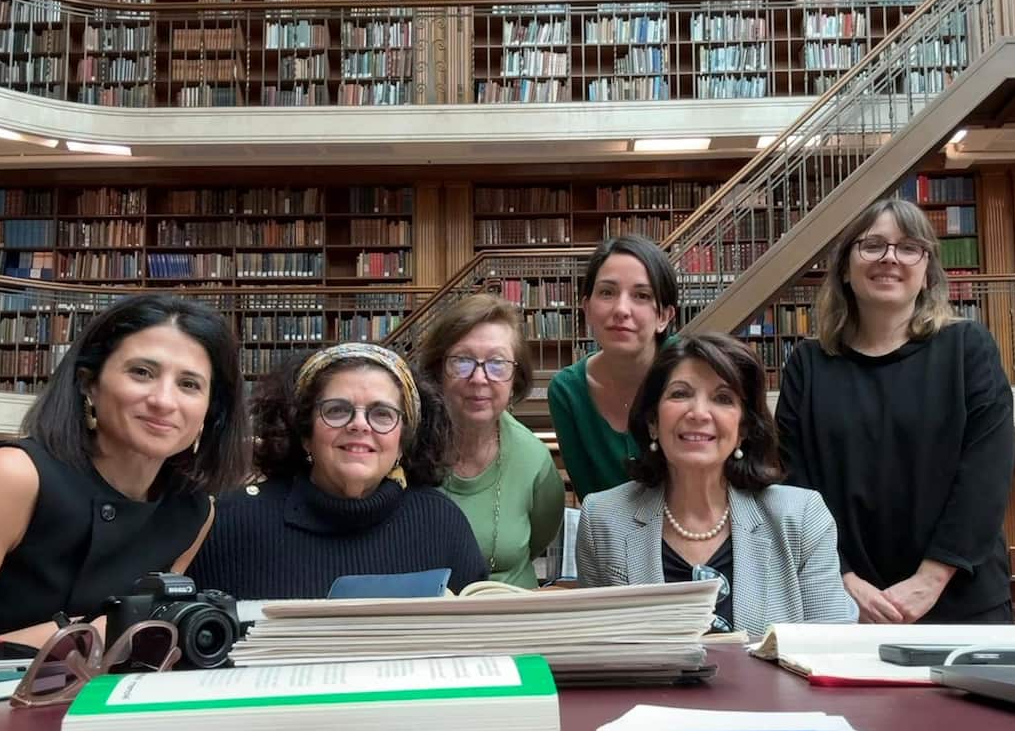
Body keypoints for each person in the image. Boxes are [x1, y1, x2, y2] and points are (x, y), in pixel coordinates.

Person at [0, 294, 250, 671]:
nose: (164, 401)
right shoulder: (11, 477)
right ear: (89, 384)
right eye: (142, 373)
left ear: (210, 410)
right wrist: (91, 635)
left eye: (189, 384)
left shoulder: (193, 511)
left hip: (93, 721)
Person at [776, 197, 1015, 624]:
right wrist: (843, 578)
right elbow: (795, 485)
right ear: (845, 269)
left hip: (961, 600)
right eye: (872, 245)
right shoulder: (807, 365)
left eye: (908, 247)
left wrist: (930, 579)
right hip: (843, 604)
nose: (890, 258)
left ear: (927, 272)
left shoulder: (968, 349)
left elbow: (986, 474)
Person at [575, 333, 857, 636]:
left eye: (723, 398)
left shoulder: (800, 518)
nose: (698, 413)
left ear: (744, 429)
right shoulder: (603, 520)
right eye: (680, 394)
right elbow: (598, 659)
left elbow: (831, 654)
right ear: (653, 421)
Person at [191, 342, 487, 598]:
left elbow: (483, 643)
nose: (359, 424)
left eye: (382, 414)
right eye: (337, 410)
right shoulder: (231, 524)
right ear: (306, 434)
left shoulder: (442, 524)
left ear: (401, 443)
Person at [416, 294, 565, 588]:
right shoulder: (407, 449)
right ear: (438, 372)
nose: (480, 378)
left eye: (497, 363)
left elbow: (539, 539)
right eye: (462, 362)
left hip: (513, 620)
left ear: (515, 381)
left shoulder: (533, 459)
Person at [548, 235, 678, 501]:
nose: (621, 309)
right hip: (613, 537)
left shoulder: (695, 371)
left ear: (663, 316)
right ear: (587, 308)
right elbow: (592, 501)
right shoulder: (568, 391)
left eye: (641, 295)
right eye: (607, 292)